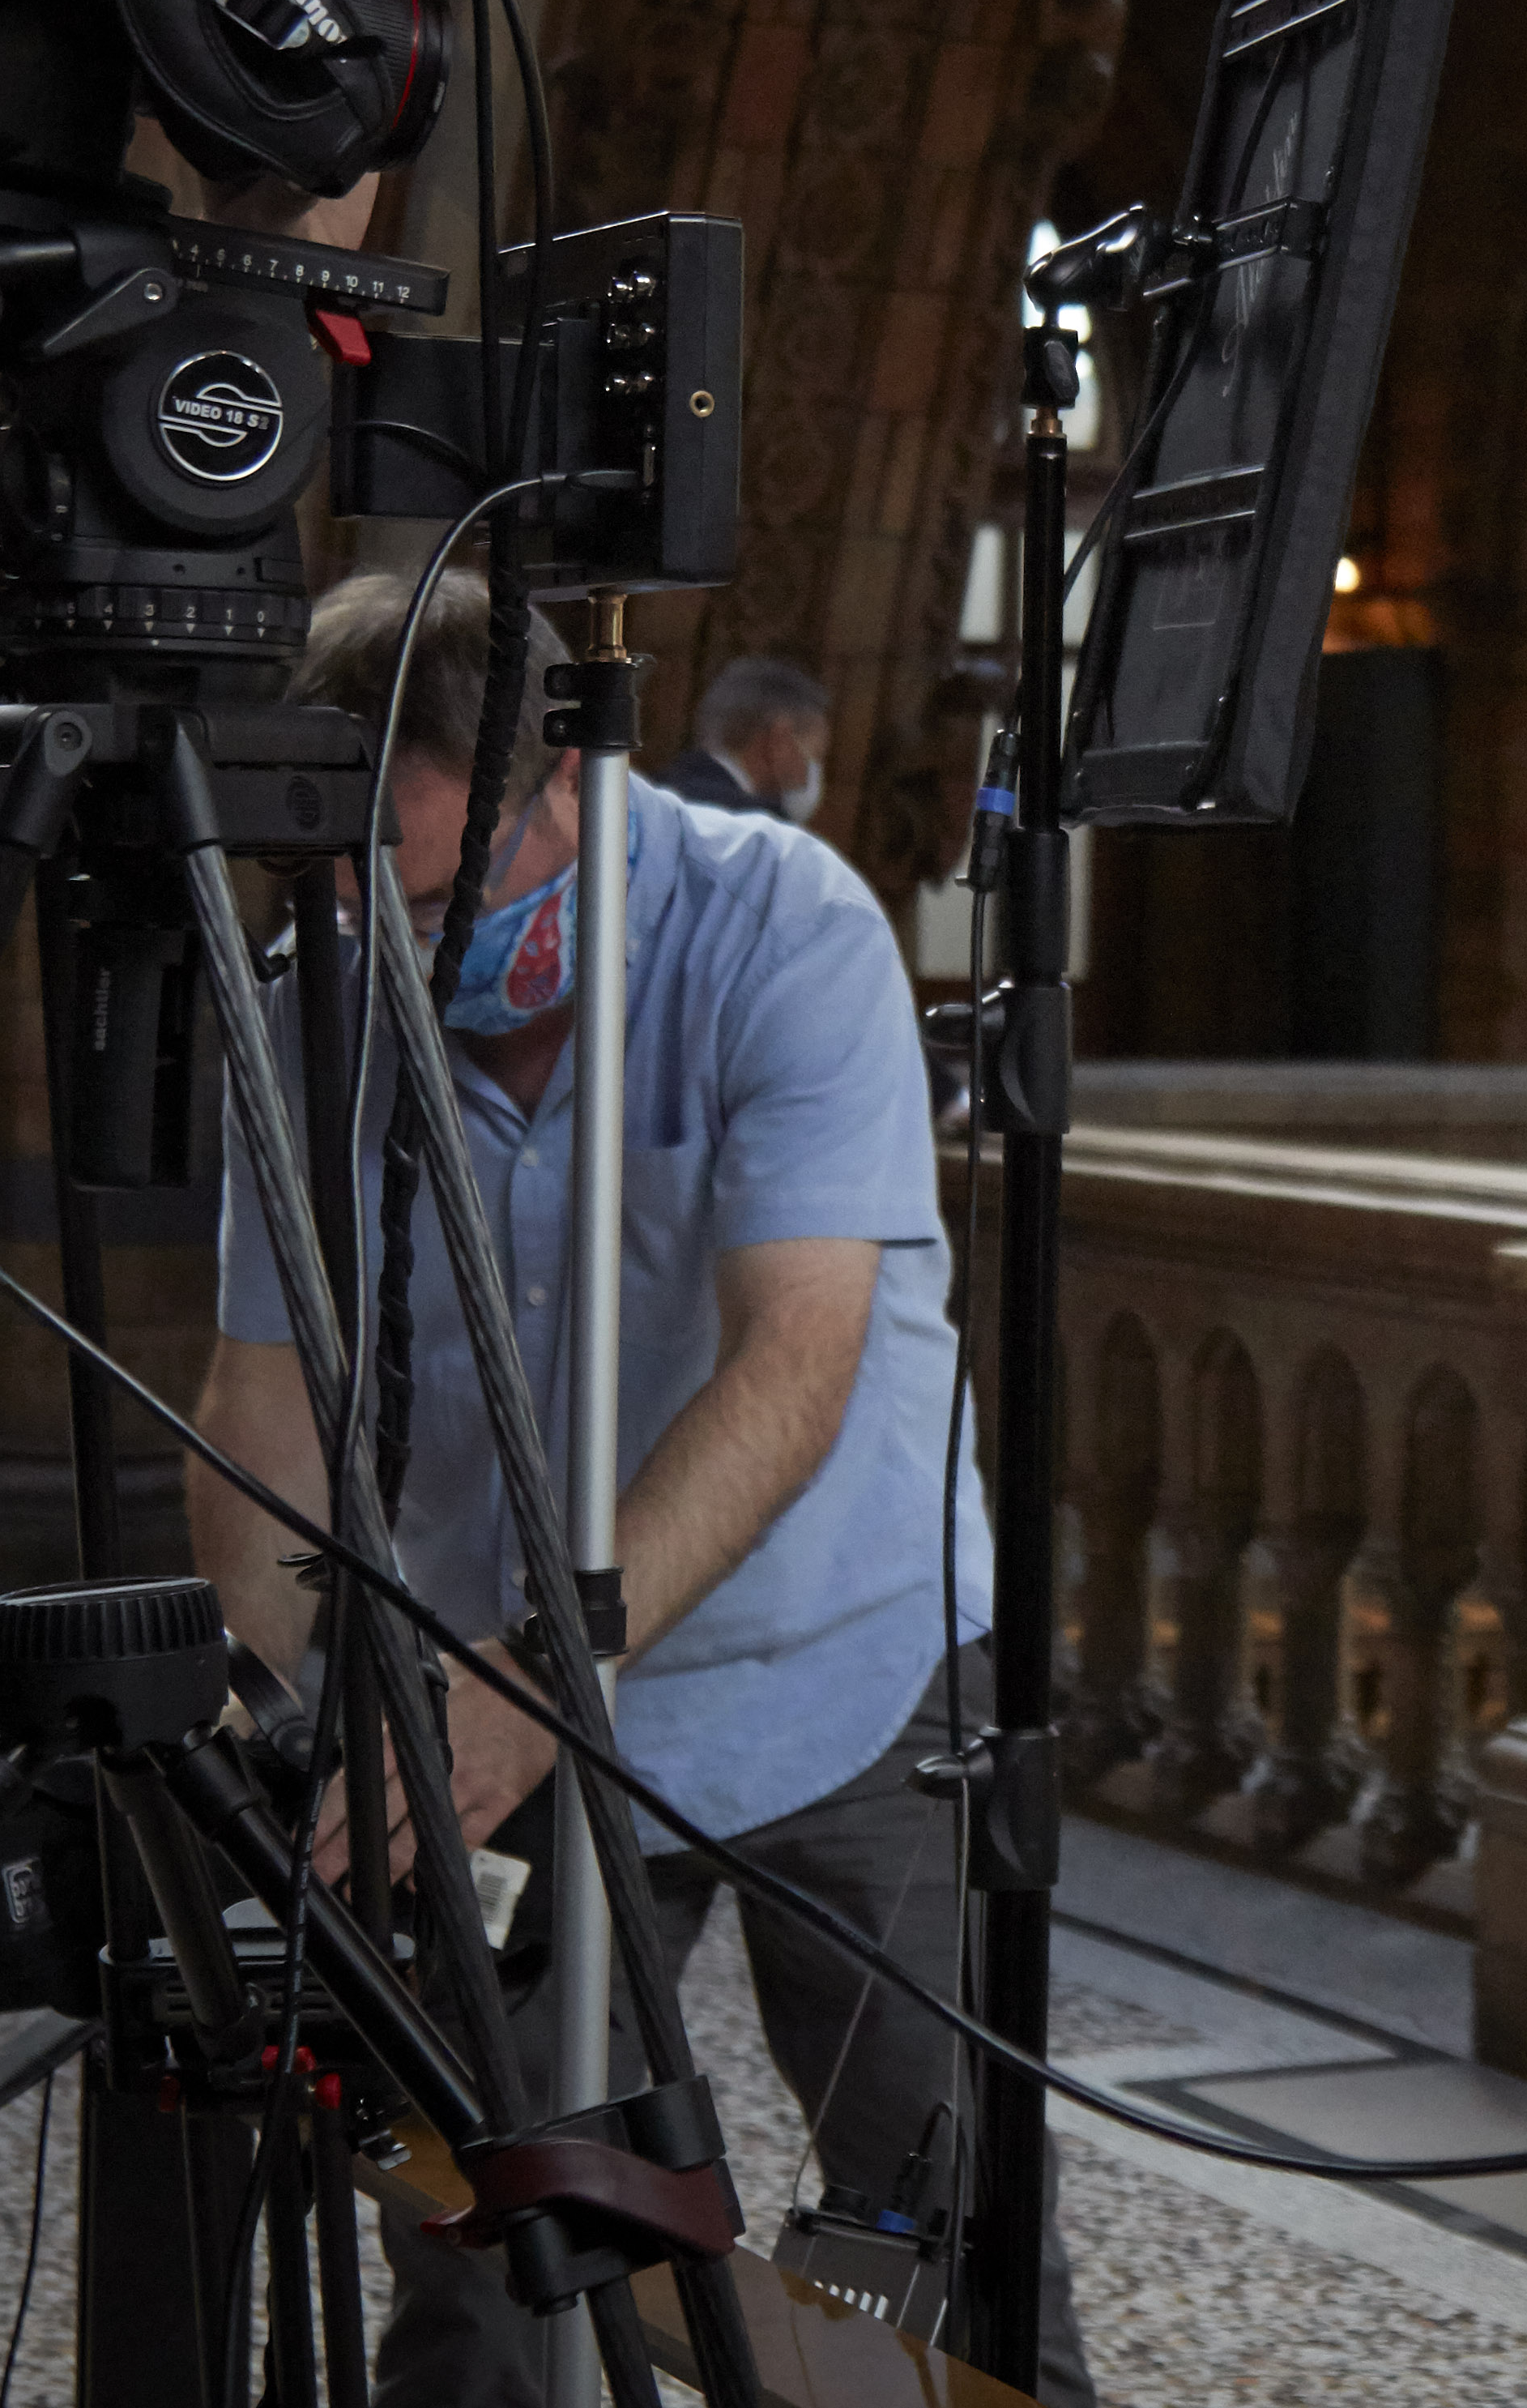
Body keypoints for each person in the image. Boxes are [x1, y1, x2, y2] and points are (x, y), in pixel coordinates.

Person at [186, 570, 1068, 2405]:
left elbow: (794, 1357)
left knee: (931, 2228)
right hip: (496, 1690)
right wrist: (309, 1690)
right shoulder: (319, 991)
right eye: (337, 890)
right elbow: (259, 1404)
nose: (376, 943)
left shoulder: (781, 930)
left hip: (836, 1652)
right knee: (489, 2246)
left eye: (421, 893)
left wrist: (528, 1680)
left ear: (559, 790)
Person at [652, 650, 834, 821]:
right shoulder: (757, 829)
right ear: (780, 739)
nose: (815, 772)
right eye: (816, 756)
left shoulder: (650, 791)